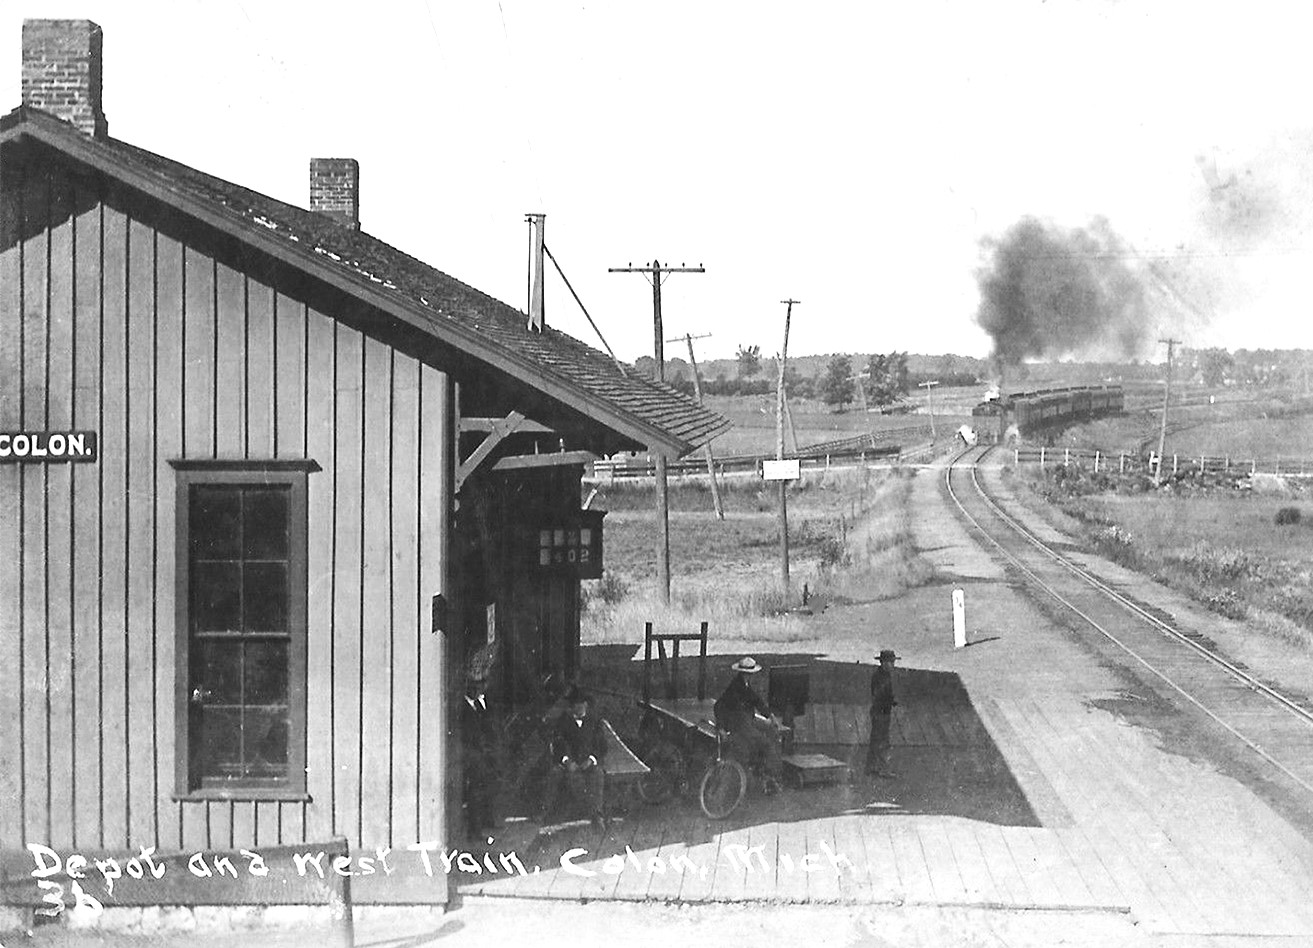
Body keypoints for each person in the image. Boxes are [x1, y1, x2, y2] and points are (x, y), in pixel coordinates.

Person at [538, 686, 608, 830]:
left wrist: (591, 759)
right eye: (576, 705)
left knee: (598, 774)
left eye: (582, 704)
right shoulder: (563, 721)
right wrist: (566, 760)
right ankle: (543, 812)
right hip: (569, 764)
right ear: (571, 707)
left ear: (586, 705)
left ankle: (597, 815)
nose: (580, 707)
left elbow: (602, 746)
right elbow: (558, 745)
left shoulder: (594, 721)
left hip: (588, 764)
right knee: (555, 774)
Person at [713, 656, 783, 792]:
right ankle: (767, 777)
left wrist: (770, 716)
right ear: (745, 673)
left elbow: (756, 700)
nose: (750, 676)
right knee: (765, 744)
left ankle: (767, 775)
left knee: (770, 731)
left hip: (746, 721)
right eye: (749, 674)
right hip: (738, 724)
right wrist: (721, 727)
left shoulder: (745, 684)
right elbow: (718, 706)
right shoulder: (735, 688)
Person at [460, 664, 499, 839]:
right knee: (475, 791)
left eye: (479, 686)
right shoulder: (461, 707)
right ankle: (474, 830)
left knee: (488, 784)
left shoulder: (479, 705)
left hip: (483, 754)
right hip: (469, 756)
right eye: (473, 686)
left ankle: (486, 819)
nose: (477, 689)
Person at [866, 649, 899, 778]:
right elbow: (880, 695)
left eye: (892, 662)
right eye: (888, 662)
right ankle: (883, 769)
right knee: (883, 741)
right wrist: (890, 701)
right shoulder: (881, 677)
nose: (891, 665)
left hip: (879, 711)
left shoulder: (881, 675)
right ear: (882, 663)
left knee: (876, 740)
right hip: (881, 712)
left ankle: (871, 767)